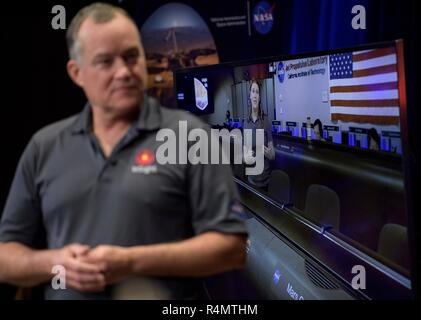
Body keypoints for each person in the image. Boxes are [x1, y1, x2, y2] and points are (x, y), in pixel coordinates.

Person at [0, 3, 247, 300]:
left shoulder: (191, 135)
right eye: (105, 62)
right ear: (76, 73)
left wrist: (131, 262)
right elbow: (6, 258)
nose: (124, 72)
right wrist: (55, 263)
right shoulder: (45, 145)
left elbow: (231, 249)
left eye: (132, 57)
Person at [243, 79, 275, 190]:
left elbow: (273, 155)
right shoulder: (246, 123)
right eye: (253, 91)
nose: (255, 95)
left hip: (265, 183)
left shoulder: (266, 121)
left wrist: (269, 154)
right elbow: (244, 156)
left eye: (257, 92)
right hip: (251, 181)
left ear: (259, 97)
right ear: (250, 96)